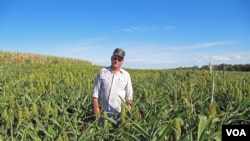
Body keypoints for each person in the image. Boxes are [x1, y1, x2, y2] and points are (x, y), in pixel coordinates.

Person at [92, 48, 133, 124]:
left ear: (122, 61)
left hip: (119, 116)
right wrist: (97, 111)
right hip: (102, 114)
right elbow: (95, 94)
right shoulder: (102, 72)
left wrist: (125, 116)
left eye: (119, 59)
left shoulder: (126, 75)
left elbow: (129, 98)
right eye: (114, 58)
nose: (116, 60)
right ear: (111, 58)